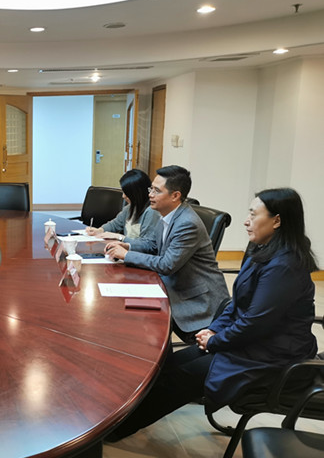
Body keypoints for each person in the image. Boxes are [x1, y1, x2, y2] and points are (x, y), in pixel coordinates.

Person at [107, 187, 318, 440]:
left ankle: (114, 431)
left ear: (277, 221)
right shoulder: (262, 250)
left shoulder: (285, 266)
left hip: (272, 355)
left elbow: (255, 322)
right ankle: (118, 417)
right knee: (168, 365)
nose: (246, 221)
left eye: (253, 215)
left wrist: (216, 341)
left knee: (183, 377)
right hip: (251, 343)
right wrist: (214, 329)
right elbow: (236, 304)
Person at [105, 165, 229, 340]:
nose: (150, 195)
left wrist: (126, 255)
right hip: (174, 284)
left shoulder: (187, 223)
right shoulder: (166, 214)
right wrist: (127, 246)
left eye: (156, 191)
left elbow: (166, 265)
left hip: (197, 300)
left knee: (139, 320)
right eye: (151, 189)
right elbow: (152, 245)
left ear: (175, 196)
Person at [86, 169, 160, 241]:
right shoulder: (129, 208)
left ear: (137, 193)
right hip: (125, 248)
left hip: (133, 249)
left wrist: (120, 237)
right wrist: (100, 230)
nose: (123, 196)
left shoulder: (151, 212)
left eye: (127, 193)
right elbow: (115, 224)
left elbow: (147, 244)